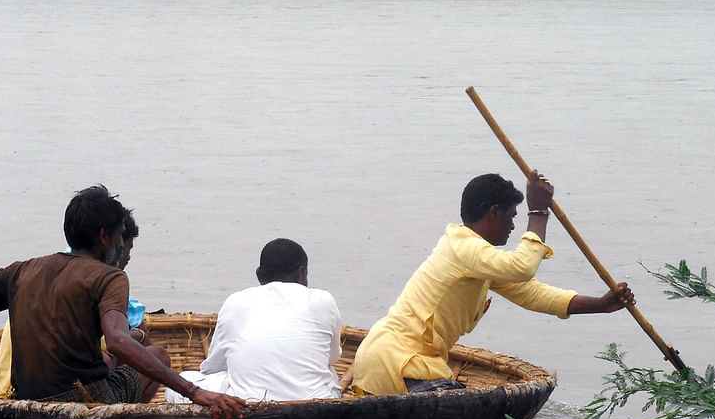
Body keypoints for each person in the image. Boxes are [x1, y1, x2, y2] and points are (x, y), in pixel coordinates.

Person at [0, 185, 246, 419]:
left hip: (25, 397)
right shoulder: (108, 277)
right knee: (157, 354)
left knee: (114, 357)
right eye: (120, 237)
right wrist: (193, 391)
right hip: (83, 400)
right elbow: (117, 340)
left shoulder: (23, 269)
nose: (121, 246)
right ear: (105, 238)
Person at [350, 170, 635, 395]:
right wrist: (537, 213)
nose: (513, 226)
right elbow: (523, 267)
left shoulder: (476, 257)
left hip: (397, 363)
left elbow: (531, 294)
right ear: (494, 213)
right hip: (397, 362)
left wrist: (600, 304)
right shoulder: (463, 248)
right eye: (511, 216)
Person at [166, 238, 342, 403]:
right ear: (301, 273)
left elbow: (213, 367)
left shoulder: (237, 301)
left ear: (259, 275)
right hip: (314, 403)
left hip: (245, 405)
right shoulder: (323, 300)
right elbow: (332, 356)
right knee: (330, 373)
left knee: (180, 383)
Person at [0, 211, 147, 399]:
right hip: (58, 393)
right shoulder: (100, 282)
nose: (128, 256)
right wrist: (188, 389)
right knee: (144, 355)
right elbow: (115, 344)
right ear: (106, 240)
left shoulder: (41, 272)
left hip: (14, 391)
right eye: (124, 247)